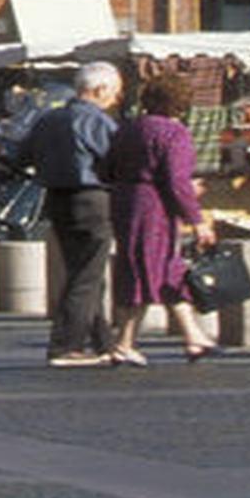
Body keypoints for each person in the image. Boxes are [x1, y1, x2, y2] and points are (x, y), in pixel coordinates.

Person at [104, 77, 218, 365]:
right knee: (154, 268)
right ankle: (125, 343)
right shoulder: (174, 133)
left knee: (156, 268)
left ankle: (192, 337)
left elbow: (105, 169)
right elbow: (176, 180)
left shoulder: (127, 129)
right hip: (155, 207)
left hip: (125, 202)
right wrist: (197, 218)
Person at [25, 60, 125, 366]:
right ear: (100, 89)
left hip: (56, 197)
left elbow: (23, 155)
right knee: (87, 274)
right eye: (115, 93)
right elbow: (116, 159)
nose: (115, 100)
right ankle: (65, 345)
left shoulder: (48, 119)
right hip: (92, 198)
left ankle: (103, 342)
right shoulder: (96, 121)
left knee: (83, 272)